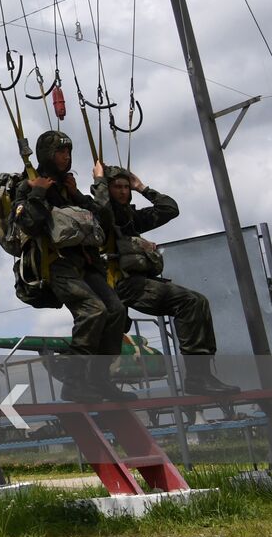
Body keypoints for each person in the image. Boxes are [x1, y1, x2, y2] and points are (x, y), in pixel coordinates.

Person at [93, 164, 238, 396]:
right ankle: (198, 379)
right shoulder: (101, 215)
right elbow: (101, 209)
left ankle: (200, 375)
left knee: (196, 302)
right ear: (107, 189)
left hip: (135, 282)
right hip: (119, 284)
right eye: (116, 187)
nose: (122, 191)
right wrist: (99, 181)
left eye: (125, 187)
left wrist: (142, 187)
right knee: (189, 302)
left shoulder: (132, 218)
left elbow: (169, 209)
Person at [11, 131, 131, 402]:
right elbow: (27, 222)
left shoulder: (68, 186)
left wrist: (77, 194)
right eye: (60, 151)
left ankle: (100, 379)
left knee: (116, 311)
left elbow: (104, 218)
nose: (66, 157)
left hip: (87, 263)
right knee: (93, 310)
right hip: (55, 264)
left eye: (69, 151)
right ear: (46, 153)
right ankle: (74, 380)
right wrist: (39, 191)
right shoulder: (26, 183)